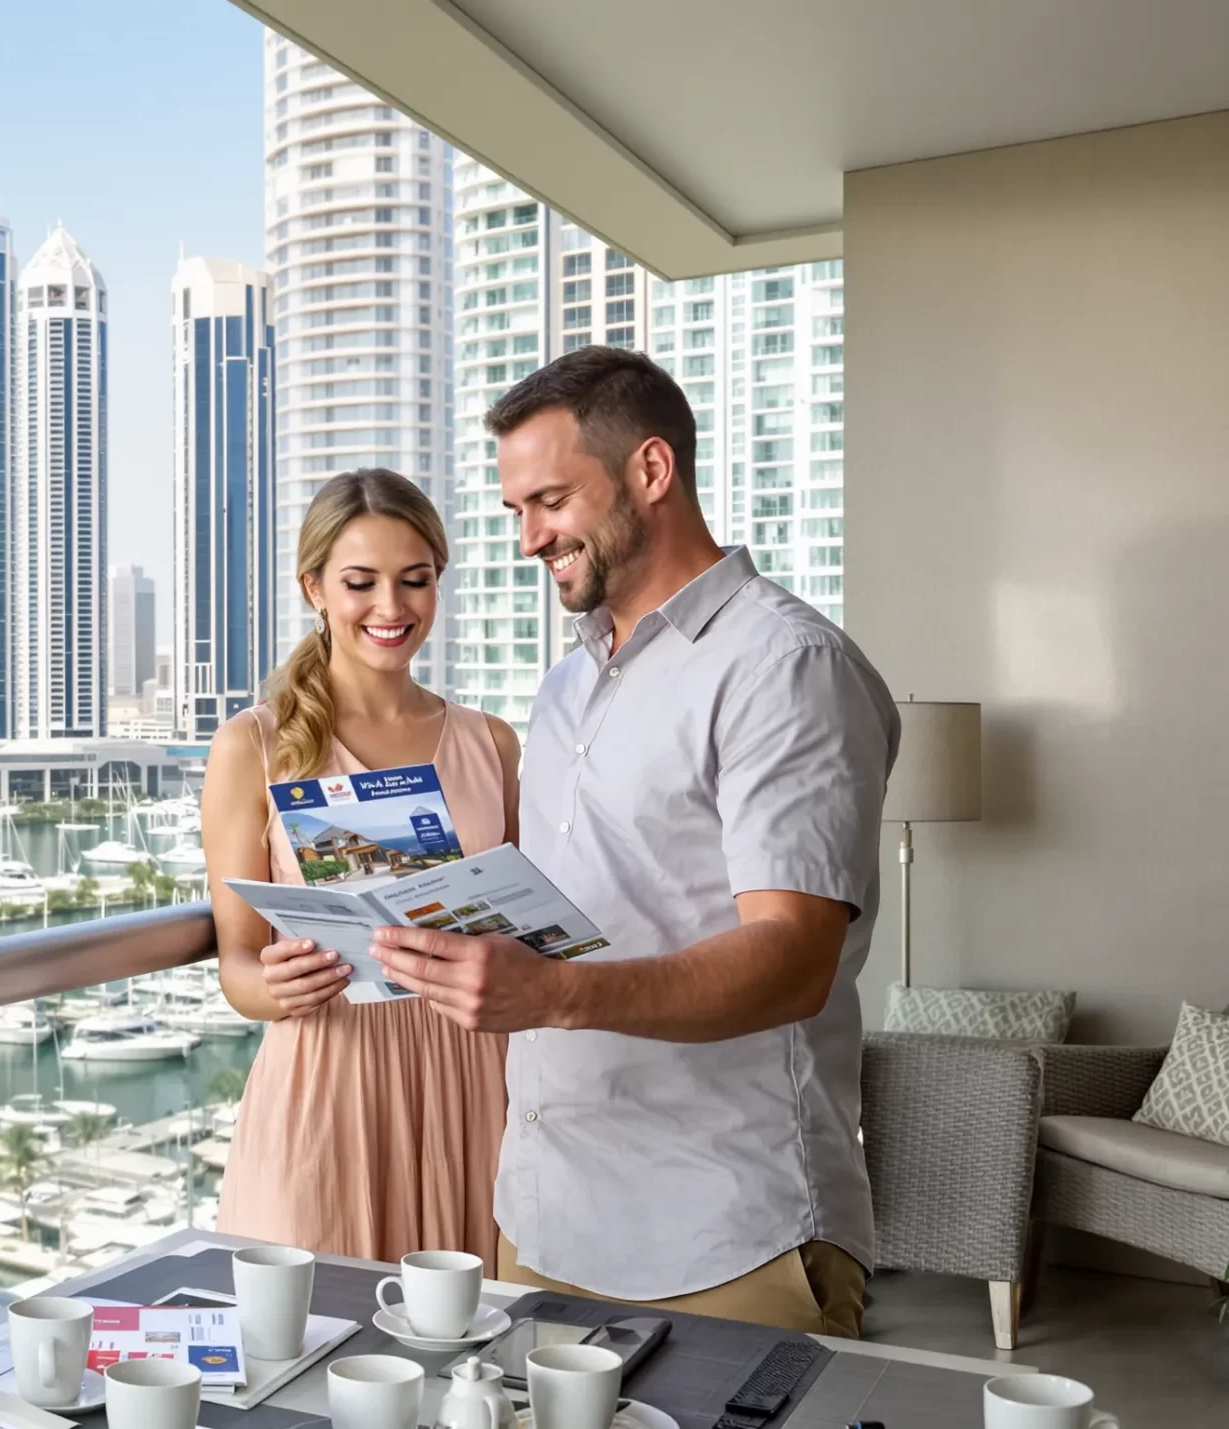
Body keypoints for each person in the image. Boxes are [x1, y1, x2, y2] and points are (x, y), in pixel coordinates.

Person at [372, 347, 898, 1337]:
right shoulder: (568, 683)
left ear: (650, 472)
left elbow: (792, 960)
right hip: (547, 1212)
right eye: (514, 510)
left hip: (729, 1231)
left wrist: (556, 994)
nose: (529, 538)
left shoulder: (784, 667)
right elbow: (597, 896)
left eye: (550, 500)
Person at [202, 467, 520, 1263]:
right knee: (313, 1347)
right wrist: (271, 985)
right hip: (329, 1075)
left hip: (474, 1080)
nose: (391, 607)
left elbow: (523, 921)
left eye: (415, 580)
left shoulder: (494, 743)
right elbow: (236, 963)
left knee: (474, 1349)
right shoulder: (254, 746)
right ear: (314, 586)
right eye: (361, 582)